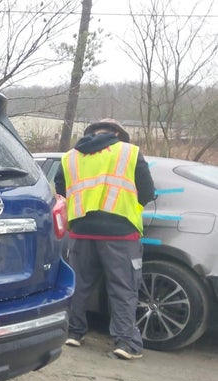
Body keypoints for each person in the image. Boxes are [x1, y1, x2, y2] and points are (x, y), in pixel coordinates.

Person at [54, 118, 156, 360]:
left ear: (91, 132)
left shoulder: (70, 157)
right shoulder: (129, 153)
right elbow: (148, 192)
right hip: (120, 231)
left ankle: (74, 333)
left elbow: (61, 189)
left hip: (80, 230)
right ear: (117, 134)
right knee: (123, 287)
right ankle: (125, 343)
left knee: (78, 284)